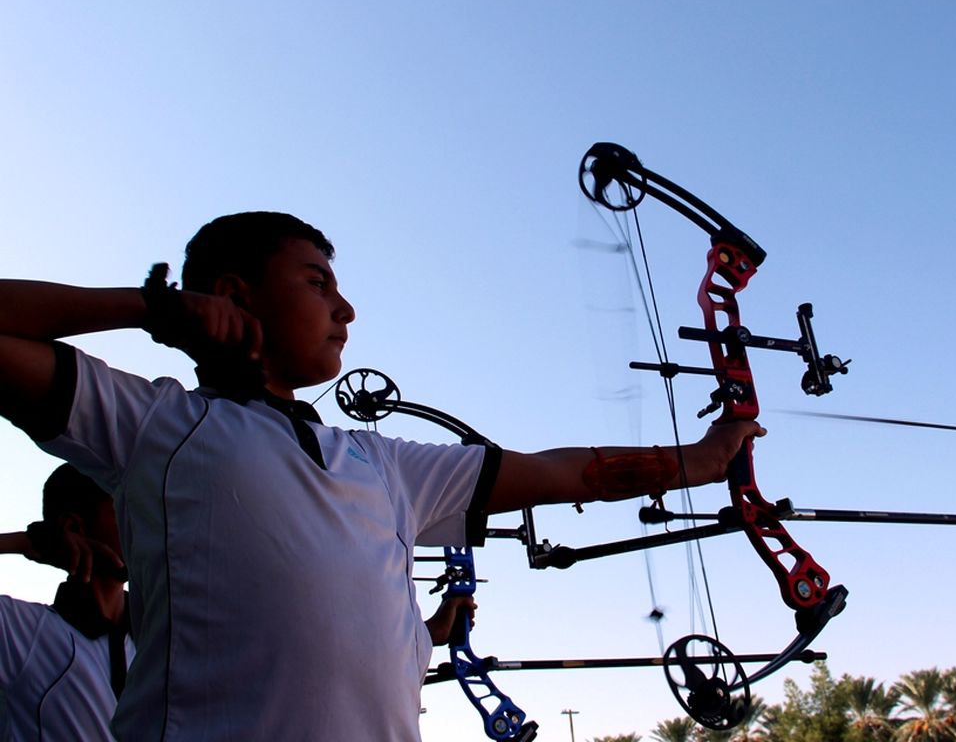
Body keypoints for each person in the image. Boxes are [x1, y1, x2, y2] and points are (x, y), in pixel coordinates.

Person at [0, 211, 762, 741]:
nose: (347, 308)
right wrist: (147, 308)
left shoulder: (380, 463)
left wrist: (700, 461)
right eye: (317, 284)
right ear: (234, 295)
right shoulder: (156, 425)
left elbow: (565, 473)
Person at [0, 463, 135, 741]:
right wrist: (26, 542)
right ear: (73, 527)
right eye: (123, 508)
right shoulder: (23, 634)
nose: (144, 524)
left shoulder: (161, 639)